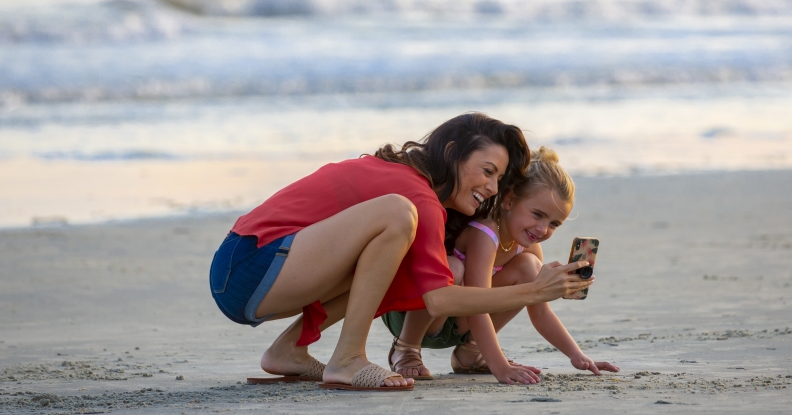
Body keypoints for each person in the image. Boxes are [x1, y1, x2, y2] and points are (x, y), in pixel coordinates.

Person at [209, 114, 590, 391]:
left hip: (259, 273)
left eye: (498, 178)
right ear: (454, 152)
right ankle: (347, 359)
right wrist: (536, 291)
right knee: (397, 213)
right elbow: (438, 300)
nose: (491, 187)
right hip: (248, 264)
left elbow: (430, 288)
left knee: (395, 246)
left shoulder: (422, 193)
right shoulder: (414, 194)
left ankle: (288, 350)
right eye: (487, 171)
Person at [384, 146, 619, 384]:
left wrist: (577, 355)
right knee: (453, 269)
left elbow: (540, 311)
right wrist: (501, 367)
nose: (543, 229)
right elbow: (477, 305)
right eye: (537, 215)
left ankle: (471, 352)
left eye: (554, 223)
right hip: (418, 313)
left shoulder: (528, 246)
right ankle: (406, 348)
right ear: (508, 200)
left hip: (458, 326)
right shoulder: (484, 235)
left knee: (529, 267)